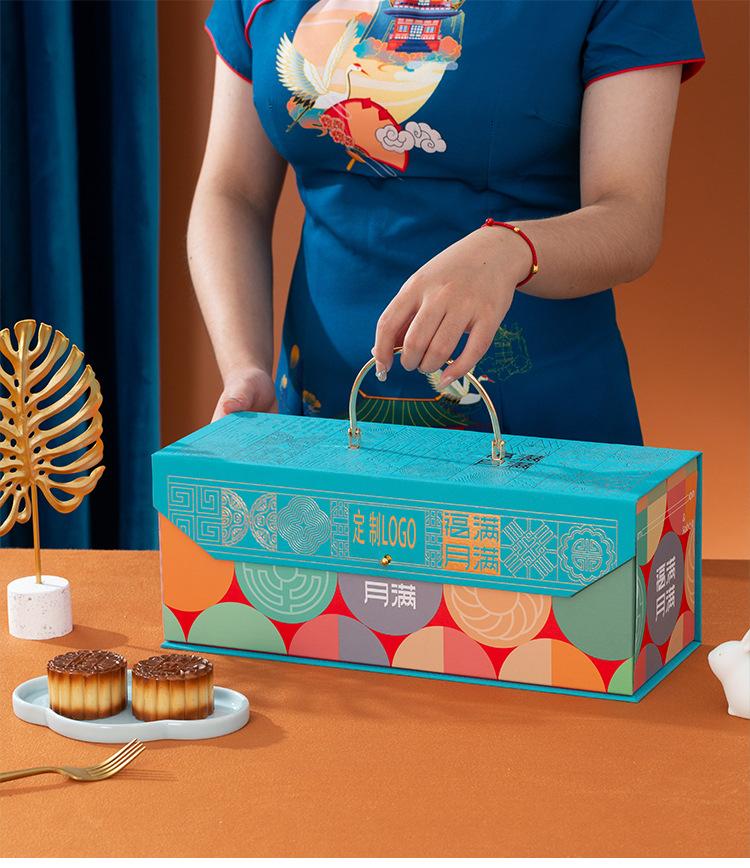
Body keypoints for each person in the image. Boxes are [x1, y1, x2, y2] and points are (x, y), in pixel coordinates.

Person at [189, 0, 704, 444]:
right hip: (323, 420)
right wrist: (244, 366)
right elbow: (233, 193)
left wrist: (509, 248)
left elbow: (630, 217)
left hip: (538, 430)